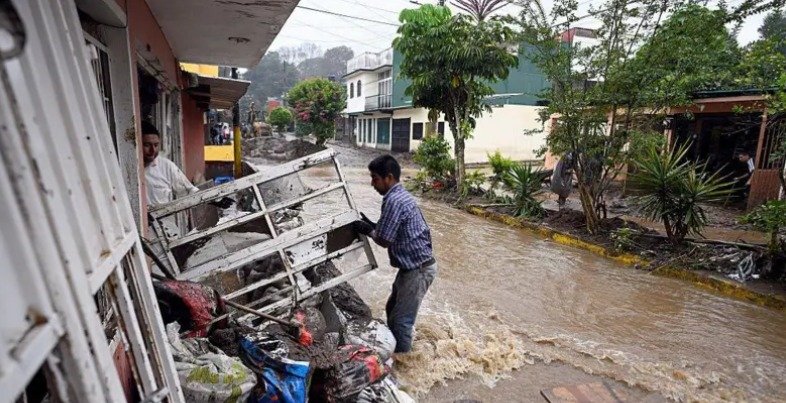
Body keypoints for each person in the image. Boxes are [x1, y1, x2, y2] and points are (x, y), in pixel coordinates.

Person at [353, 155, 437, 354]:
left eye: (375, 178)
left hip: (418, 269)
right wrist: (373, 226)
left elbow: (384, 240)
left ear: (389, 178)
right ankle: (399, 350)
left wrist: (366, 229)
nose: (373, 184)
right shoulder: (400, 196)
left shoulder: (393, 201)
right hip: (413, 267)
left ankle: (405, 365)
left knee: (401, 322)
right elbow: (391, 231)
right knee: (392, 310)